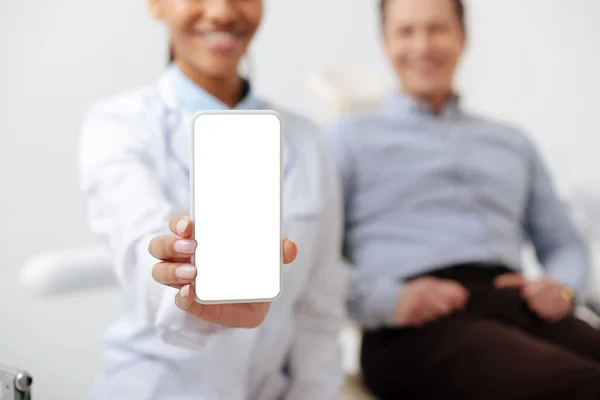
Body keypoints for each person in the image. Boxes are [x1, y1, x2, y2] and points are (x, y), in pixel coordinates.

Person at [329, 0, 600, 398]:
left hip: (517, 305)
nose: (422, 46)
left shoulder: (512, 141)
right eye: (406, 31)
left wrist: (562, 288)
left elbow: (563, 244)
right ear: (385, 43)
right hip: (411, 326)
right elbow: (316, 258)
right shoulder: (345, 140)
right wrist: (389, 300)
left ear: (463, 37)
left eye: (437, 29)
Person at [78, 0, 345, 399]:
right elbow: (141, 246)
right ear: (156, 5)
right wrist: (187, 292)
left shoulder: (307, 140)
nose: (221, 11)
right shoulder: (119, 124)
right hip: (157, 387)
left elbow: (319, 312)